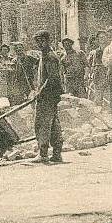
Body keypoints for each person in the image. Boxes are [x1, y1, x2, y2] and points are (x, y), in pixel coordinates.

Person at [33, 30, 64, 163]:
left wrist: (41, 91)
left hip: (48, 95)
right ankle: (57, 153)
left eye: (42, 41)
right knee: (53, 124)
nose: (40, 44)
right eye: (38, 41)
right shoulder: (45, 55)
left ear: (48, 41)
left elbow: (52, 78)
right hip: (50, 95)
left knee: (42, 124)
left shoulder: (50, 57)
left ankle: (43, 153)